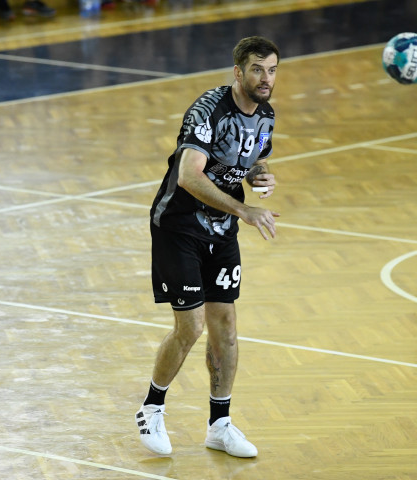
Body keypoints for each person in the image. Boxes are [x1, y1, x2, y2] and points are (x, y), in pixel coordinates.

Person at [135, 36, 281, 458]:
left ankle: (220, 425)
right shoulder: (209, 110)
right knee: (191, 327)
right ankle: (151, 408)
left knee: (226, 327)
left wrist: (260, 175)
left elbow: (251, 158)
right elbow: (189, 175)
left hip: (221, 230)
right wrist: (244, 210)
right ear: (238, 72)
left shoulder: (266, 114)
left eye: (272, 70)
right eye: (257, 69)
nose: (266, 78)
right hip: (179, 227)